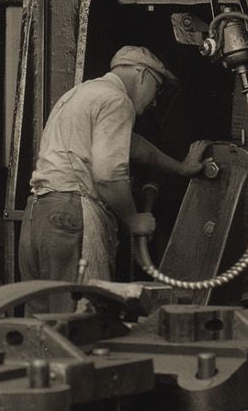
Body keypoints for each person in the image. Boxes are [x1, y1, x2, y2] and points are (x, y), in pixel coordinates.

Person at [19, 45, 208, 285]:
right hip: (73, 215)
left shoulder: (82, 93)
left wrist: (181, 168)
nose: (155, 103)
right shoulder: (118, 101)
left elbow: (133, 145)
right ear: (142, 74)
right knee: (83, 313)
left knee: (42, 315)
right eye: (157, 89)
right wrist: (134, 220)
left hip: (39, 215)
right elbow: (108, 175)